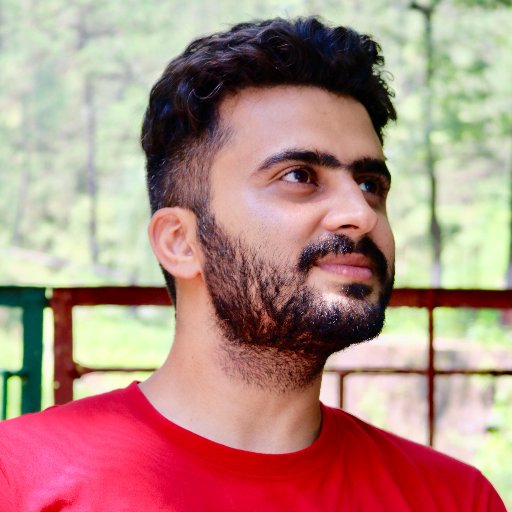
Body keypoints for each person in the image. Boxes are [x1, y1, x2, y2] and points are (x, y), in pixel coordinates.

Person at [0, 16, 506, 511]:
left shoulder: (456, 499)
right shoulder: (19, 479)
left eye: (370, 184)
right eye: (299, 176)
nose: (361, 213)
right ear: (180, 242)